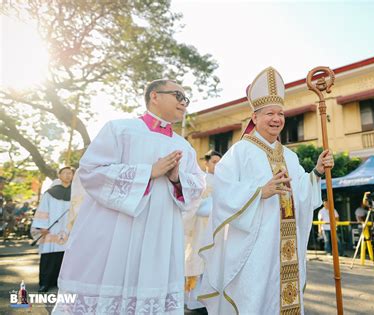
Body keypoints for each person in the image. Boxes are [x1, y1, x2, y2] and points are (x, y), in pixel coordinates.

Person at [53, 79, 206, 314]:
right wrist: (147, 173)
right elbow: (91, 172)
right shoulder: (119, 129)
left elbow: (197, 188)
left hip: (160, 237)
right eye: (178, 96)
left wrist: (177, 179)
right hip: (117, 235)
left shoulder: (184, 146)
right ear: (154, 96)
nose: (184, 103)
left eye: (186, 99)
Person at [198, 67, 334, 314]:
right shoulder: (240, 152)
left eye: (280, 113)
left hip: (285, 245)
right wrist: (260, 192)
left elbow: (301, 191)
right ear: (254, 117)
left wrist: (315, 172)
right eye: (270, 113)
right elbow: (223, 191)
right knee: (255, 299)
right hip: (255, 247)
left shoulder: (291, 157)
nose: (276, 119)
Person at [184, 150, 221, 312]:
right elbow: (194, 202)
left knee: (214, 261)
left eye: (219, 162)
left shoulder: (223, 180)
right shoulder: (201, 180)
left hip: (217, 226)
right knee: (198, 258)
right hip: (200, 225)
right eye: (214, 162)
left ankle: (210, 297)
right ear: (206, 163)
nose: (217, 165)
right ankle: (194, 299)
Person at [31, 166, 74, 292]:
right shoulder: (50, 193)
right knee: (48, 257)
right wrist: (41, 227)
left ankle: (58, 282)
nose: (67, 175)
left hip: (68, 230)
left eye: (70, 173)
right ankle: (44, 283)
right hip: (51, 230)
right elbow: (43, 209)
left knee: (63, 257)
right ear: (59, 176)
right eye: (64, 173)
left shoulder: (76, 194)